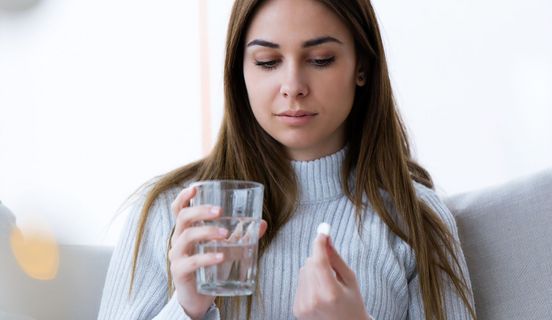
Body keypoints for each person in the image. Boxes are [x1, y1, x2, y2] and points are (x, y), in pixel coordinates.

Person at [98, 0, 477, 319]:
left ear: (362, 67)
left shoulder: (414, 219)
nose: (293, 86)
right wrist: (187, 309)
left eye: (321, 59)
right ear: (239, 72)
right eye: (267, 62)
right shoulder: (172, 212)